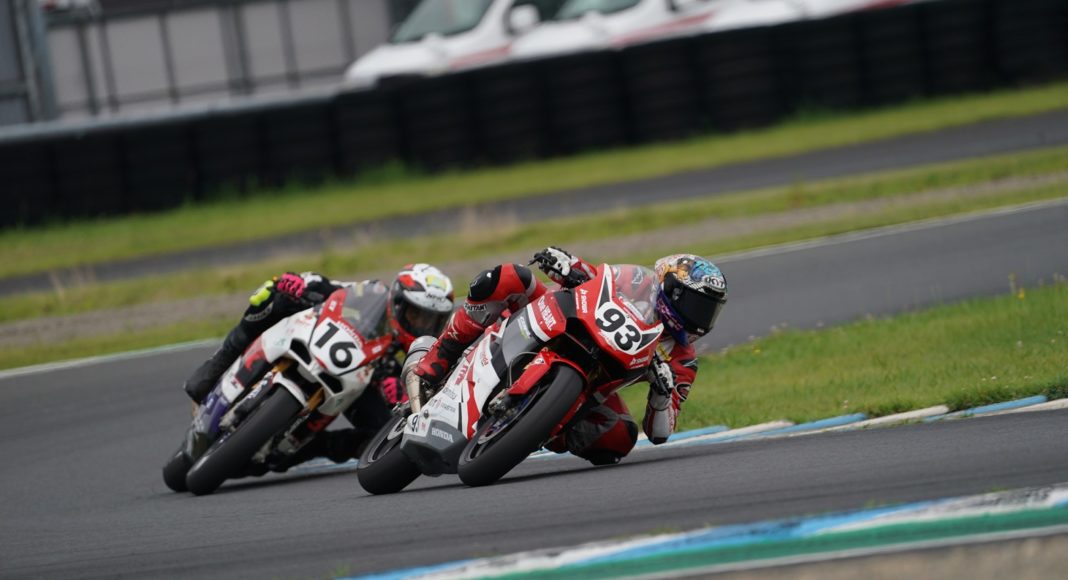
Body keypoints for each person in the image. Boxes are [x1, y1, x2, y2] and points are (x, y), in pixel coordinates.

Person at [414, 247, 727, 466]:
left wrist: (662, 394)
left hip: (592, 383)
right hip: (558, 319)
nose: (701, 320)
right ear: (671, 288)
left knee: (619, 438)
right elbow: (596, 277)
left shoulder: (683, 360)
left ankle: (539, 428)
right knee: (509, 277)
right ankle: (439, 357)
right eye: (697, 306)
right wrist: (565, 262)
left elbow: (660, 432)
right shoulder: (638, 282)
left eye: (710, 311)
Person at [183, 264, 455, 465]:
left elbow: (425, 385)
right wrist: (297, 285)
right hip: (320, 341)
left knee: (387, 435)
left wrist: (401, 391)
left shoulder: (421, 349)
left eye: (431, 320)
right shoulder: (369, 294)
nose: (422, 325)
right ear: (397, 302)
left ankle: (305, 448)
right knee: (271, 297)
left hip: (362, 380)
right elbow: (323, 284)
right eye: (416, 314)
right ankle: (215, 368)